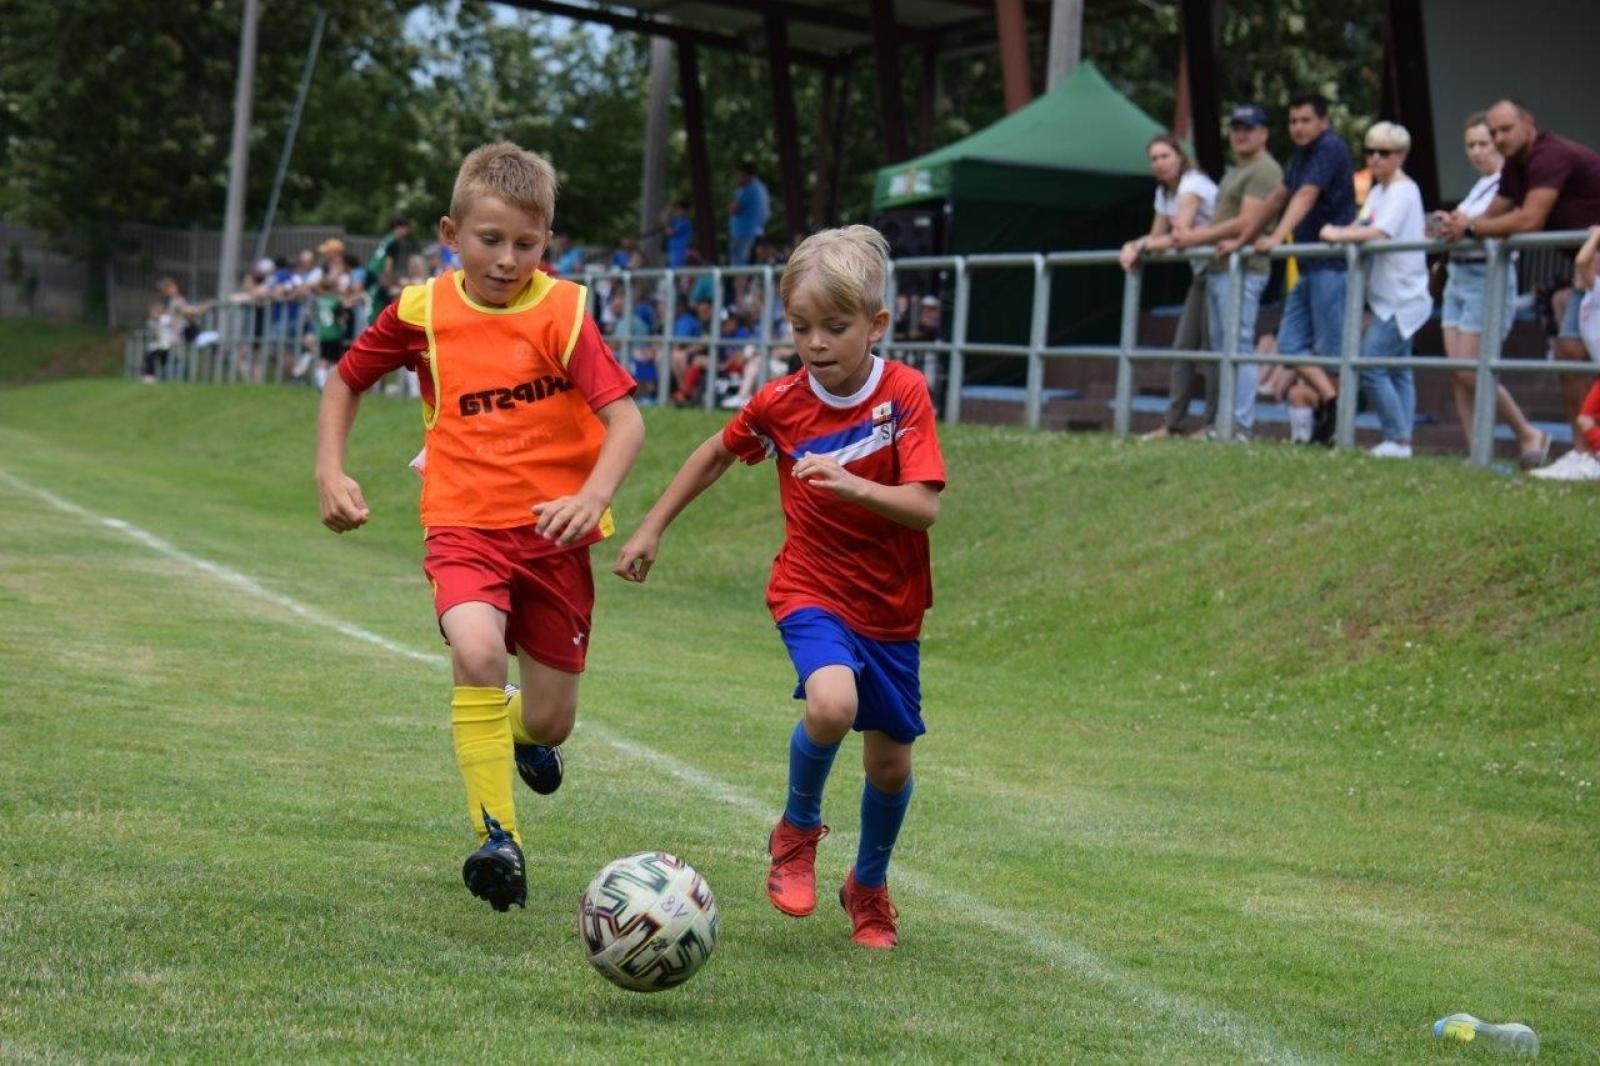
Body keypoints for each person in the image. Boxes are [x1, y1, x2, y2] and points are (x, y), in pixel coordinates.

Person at [314, 141, 645, 913]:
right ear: (450, 234)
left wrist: (592, 497)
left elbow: (624, 423)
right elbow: (346, 379)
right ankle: (500, 839)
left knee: (550, 716)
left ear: (546, 244)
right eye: (490, 240)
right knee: (477, 648)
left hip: (554, 539)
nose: (507, 259)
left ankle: (527, 741)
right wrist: (331, 471)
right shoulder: (421, 312)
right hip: (463, 524)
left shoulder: (563, 313)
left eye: (525, 244)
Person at [612, 225, 945, 950]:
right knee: (832, 702)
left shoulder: (905, 394)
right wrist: (651, 527)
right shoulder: (781, 402)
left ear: (876, 325)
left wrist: (852, 482)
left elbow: (924, 505)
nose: (816, 342)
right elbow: (713, 455)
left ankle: (868, 886)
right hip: (811, 587)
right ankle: (795, 831)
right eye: (800, 327)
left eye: (835, 326)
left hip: (891, 608)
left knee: (889, 766)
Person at [1441, 100, 1600, 474]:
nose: (1497, 138)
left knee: (1573, 353)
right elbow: (1497, 210)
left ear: (1528, 124)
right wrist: (1458, 224)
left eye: (1504, 130)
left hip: (1592, 266)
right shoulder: (1516, 165)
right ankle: (1585, 455)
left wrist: (1472, 228)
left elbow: (1529, 220)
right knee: (1569, 352)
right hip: (1589, 270)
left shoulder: (1550, 155)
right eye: (1492, 132)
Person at [1436, 113, 1549, 467]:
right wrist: (1444, 226)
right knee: (1457, 370)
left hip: (1487, 278)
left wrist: (1464, 227)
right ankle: (1476, 454)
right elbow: (1465, 227)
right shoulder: (1479, 184)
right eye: (1470, 145)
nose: (1477, 151)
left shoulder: (1509, 183)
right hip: (1458, 276)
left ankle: (1527, 432)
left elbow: (1487, 227)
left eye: (1484, 143)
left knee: (1473, 368)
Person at [1320, 122, 1432, 458]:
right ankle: (1402, 440)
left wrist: (1337, 235)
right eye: (1370, 151)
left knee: (1370, 365)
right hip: (1386, 295)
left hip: (1403, 296)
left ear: (1401, 155)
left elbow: (1380, 232)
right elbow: (1364, 224)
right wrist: (1344, 230)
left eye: (1384, 152)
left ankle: (1397, 438)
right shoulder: (1379, 190)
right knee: (1398, 370)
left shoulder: (1403, 191)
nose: (1375, 158)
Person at [1174, 103, 1285, 441]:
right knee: (1224, 348)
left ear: (1264, 133)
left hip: (1243, 268)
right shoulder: (1235, 171)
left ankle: (1240, 427)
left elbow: (1246, 223)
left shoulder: (1265, 170)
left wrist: (1194, 237)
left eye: (1248, 128)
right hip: (1221, 267)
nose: (1240, 134)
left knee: (1238, 346)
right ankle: (1224, 425)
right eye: (1236, 128)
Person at [1257, 93, 1357, 444]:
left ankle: (1338, 430)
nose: (1298, 127)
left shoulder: (1330, 148)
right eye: (1293, 121)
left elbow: (1305, 196)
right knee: (1287, 344)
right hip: (1311, 266)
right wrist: (1246, 236)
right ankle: (1331, 402)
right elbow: (1278, 197)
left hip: (1333, 266)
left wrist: (1276, 237)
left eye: (1305, 120)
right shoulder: (1301, 155)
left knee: (1333, 355)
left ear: (1323, 121)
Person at [1122, 133, 1218, 439]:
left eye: (1165, 156)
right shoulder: (1164, 193)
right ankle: (1174, 425)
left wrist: (1136, 244)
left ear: (1180, 156)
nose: (1160, 164)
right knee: (1183, 348)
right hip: (1202, 274)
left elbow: (1178, 237)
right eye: (1154, 159)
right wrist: (1138, 244)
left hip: (1224, 269)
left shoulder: (1193, 184)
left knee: (1214, 350)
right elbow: (1157, 238)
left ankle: (1214, 425)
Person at [1533, 226, 1600, 480]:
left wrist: (1595, 236)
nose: (1578, 272)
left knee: (1586, 419)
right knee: (1586, 419)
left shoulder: (1598, 290)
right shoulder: (1585, 298)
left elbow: (1582, 261)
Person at [728, 161, 771, 266]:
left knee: (741, 266)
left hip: (744, 235)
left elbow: (733, 209)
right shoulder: (761, 188)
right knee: (750, 264)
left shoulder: (748, 189)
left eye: (738, 175)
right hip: (756, 232)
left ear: (745, 175)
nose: (736, 178)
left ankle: (741, 282)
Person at [141, 300, 176, 383]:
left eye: (153, 312)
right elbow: (151, 325)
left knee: (153, 357)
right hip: (159, 344)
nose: (152, 314)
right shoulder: (152, 321)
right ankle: (150, 375)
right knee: (149, 356)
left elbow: (168, 322)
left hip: (166, 344)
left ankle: (151, 376)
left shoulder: (165, 319)